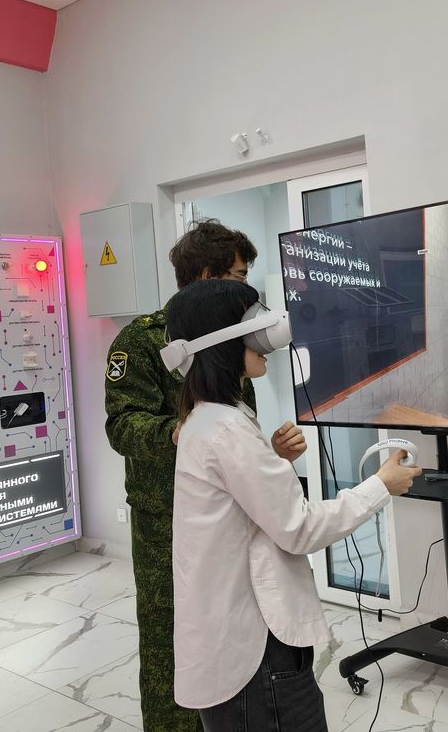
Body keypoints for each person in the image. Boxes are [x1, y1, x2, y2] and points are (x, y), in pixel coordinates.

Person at [166, 279, 421, 731]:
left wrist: (272, 458)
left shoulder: (206, 420)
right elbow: (299, 528)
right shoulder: (226, 430)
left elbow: (240, 506)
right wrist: (381, 485)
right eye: (253, 326)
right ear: (223, 345)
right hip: (257, 652)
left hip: (239, 641)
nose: (267, 337)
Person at [105, 219, 303, 732]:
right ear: (208, 276)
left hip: (227, 516)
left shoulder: (231, 338)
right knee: (172, 644)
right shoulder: (142, 341)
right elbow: (122, 426)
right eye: (239, 276)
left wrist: (266, 454)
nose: (246, 289)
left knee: (234, 634)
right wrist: (180, 434)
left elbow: (236, 421)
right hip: (166, 522)